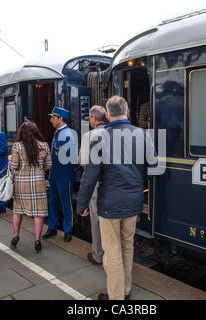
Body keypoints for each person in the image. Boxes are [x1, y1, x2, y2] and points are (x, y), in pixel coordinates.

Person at [76, 96, 158, 300]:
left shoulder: (99, 137)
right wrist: (137, 178)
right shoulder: (143, 135)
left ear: (107, 115)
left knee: (112, 251)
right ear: (128, 112)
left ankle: (116, 297)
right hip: (134, 202)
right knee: (127, 245)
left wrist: (82, 204)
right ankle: (126, 289)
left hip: (109, 204)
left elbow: (90, 176)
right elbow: (154, 167)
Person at [8, 121, 51, 253]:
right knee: (39, 212)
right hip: (38, 183)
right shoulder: (44, 146)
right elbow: (49, 165)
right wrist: (39, 169)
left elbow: (13, 167)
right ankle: (37, 240)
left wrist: (10, 160)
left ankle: (15, 235)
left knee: (18, 210)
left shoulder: (17, 147)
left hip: (21, 183)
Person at [43, 106, 78, 242]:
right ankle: (52, 228)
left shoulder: (67, 134)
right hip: (55, 173)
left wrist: (68, 171)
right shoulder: (58, 132)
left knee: (66, 203)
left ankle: (67, 230)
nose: (50, 120)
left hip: (64, 174)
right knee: (53, 202)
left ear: (60, 118)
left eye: (53, 117)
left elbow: (73, 159)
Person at [79, 105, 107, 266]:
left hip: (95, 182)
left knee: (96, 218)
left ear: (94, 119)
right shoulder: (114, 133)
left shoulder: (89, 135)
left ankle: (98, 254)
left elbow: (83, 162)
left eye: (90, 117)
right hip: (111, 182)